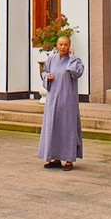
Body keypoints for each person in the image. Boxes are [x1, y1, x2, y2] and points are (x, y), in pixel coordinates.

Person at [38, 35, 84, 171]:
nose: (63, 47)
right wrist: (47, 76)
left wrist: (72, 57)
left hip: (68, 100)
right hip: (53, 100)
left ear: (69, 46)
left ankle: (69, 160)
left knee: (68, 128)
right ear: (56, 46)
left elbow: (76, 73)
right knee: (54, 127)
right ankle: (55, 158)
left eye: (65, 45)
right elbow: (44, 72)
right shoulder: (51, 59)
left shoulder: (75, 61)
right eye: (60, 45)